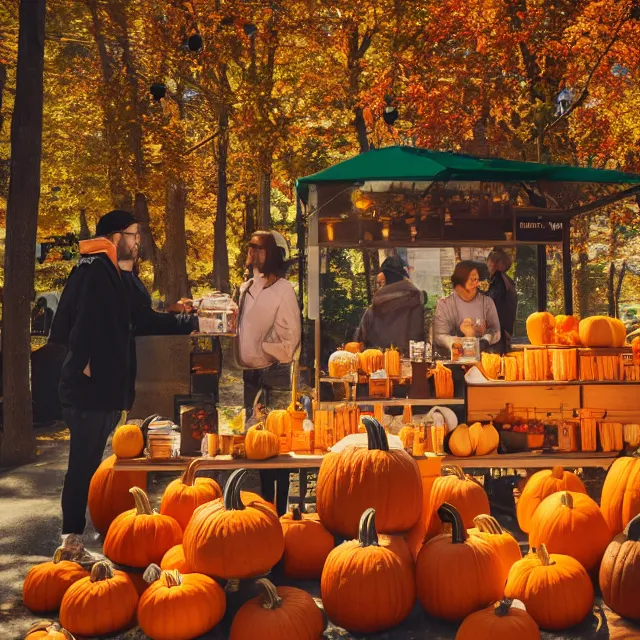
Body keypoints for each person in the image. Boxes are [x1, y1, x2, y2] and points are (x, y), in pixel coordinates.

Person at [49, 210, 139, 544]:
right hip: (88, 393)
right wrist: (86, 363)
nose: (137, 240)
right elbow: (81, 320)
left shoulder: (102, 269)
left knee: (86, 466)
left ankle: (72, 536)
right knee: (82, 467)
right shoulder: (95, 270)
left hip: (97, 392)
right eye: (133, 234)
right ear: (115, 237)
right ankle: (70, 538)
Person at [236, 230, 301, 515]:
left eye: (260, 248)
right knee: (255, 444)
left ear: (272, 254)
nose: (254, 252)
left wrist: (262, 346)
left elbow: (290, 341)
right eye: (251, 247)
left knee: (277, 444)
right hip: (250, 375)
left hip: (273, 375)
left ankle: (282, 509)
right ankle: (263, 508)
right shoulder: (245, 287)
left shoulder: (283, 289)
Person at [355, 255, 425, 353]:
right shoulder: (416, 306)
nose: (378, 287)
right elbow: (420, 343)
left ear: (386, 282)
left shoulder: (371, 312)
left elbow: (359, 345)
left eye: (381, 283)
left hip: (375, 365)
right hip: (409, 366)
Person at [433, 260, 501, 356]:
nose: (477, 284)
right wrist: (456, 341)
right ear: (460, 281)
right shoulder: (444, 304)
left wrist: (485, 340)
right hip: (453, 360)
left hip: (482, 359)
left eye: (478, 280)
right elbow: (439, 335)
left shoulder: (487, 302)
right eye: (473, 280)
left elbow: (496, 331)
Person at [486, 249, 517, 353]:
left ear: (499, 264)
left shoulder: (499, 283)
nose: (488, 266)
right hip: (504, 332)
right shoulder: (507, 281)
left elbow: (492, 305)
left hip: (499, 335)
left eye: (490, 263)